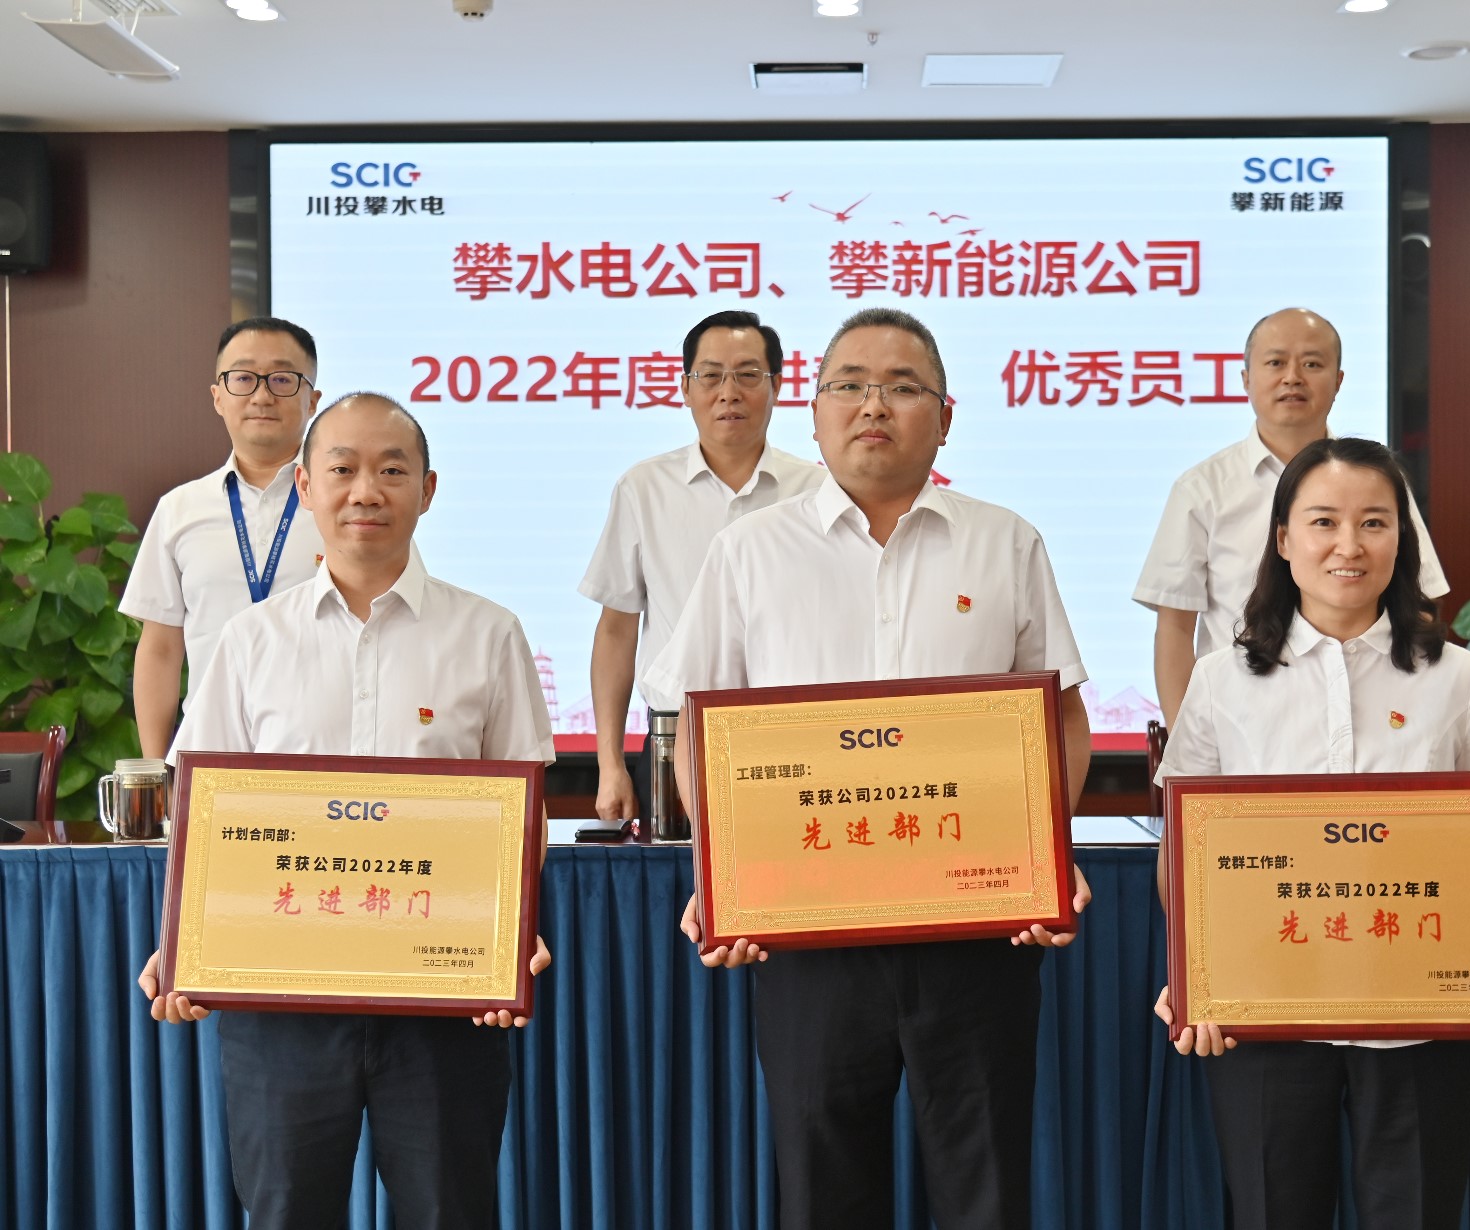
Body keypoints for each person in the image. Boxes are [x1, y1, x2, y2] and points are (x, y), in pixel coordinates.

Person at [645, 307, 1093, 1229]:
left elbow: (1061, 716)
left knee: (985, 1185)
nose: (873, 405)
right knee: (823, 1185)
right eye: (848, 385)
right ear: (813, 413)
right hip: (809, 934)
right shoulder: (749, 550)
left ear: (945, 417)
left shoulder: (1005, 542)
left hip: (976, 927)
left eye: (901, 386)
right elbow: (698, 724)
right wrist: (722, 870)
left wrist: (1044, 852)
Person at [138, 393, 555, 1230]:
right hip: (282, 1001)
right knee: (286, 1211)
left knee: (449, 1211)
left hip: (443, 999)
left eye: (392, 470)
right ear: (305, 486)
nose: (367, 490)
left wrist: (507, 930)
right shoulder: (251, 641)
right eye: (343, 469)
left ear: (427, 491)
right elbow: (203, 812)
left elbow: (524, 814)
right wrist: (184, 941)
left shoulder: (489, 634)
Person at [1151, 436, 1470, 1230]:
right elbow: (1185, 846)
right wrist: (1196, 970)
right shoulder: (1220, 679)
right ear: (1283, 540)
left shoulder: (1457, 676)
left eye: (1375, 522)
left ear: (1401, 541)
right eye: (1324, 522)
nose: (1349, 545)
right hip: (1264, 1017)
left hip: (1421, 1022)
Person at [1133, 307, 1449, 727]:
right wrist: (1185, 739)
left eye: (1312, 364)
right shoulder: (1202, 490)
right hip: (1241, 723)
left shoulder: (1378, 482)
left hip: (1366, 716)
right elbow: (1175, 628)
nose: (1293, 377)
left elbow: (1419, 598)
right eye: (1275, 362)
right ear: (1246, 379)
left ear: (1339, 381)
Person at [579, 310, 822, 824]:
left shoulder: (818, 492)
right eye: (710, 376)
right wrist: (609, 762)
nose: (728, 393)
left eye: (748, 375)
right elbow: (617, 631)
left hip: (793, 738)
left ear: (777, 387)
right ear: (685, 389)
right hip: (674, 740)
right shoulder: (644, 488)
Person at [120, 317, 327, 756]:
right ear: (218, 397)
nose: (262, 396)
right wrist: (158, 766)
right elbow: (160, 649)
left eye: (283, 379)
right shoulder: (180, 510)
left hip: (319, 754)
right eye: (244, 378)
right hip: (209, 754)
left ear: (313, 401)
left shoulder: (347, 509)